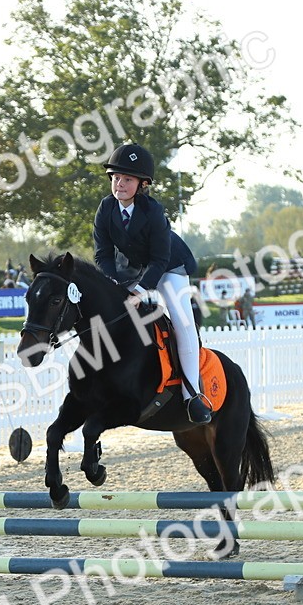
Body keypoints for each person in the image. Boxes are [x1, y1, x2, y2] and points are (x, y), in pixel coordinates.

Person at [92, 143, 211, 424]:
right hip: (132, 268)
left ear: (142, 184)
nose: (119, 184)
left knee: (182, 322)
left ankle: (192, 395)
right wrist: (116, 283)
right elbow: (102, 254)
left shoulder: (153, 211)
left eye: (127, 179)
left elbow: (160, 258)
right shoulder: (106, 208)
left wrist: (141, 289)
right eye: (115, 178)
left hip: (170, 266)